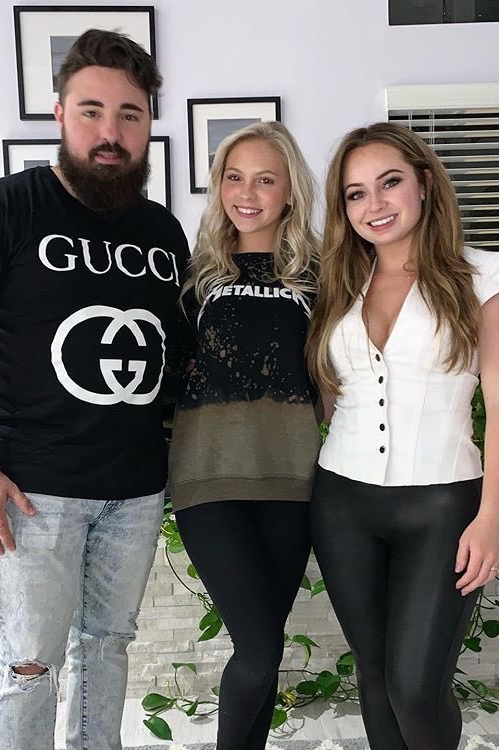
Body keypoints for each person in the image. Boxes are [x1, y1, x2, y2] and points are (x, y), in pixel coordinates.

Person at [0, 29, 189, 750]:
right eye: (92, 111)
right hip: (32, 492)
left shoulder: (163, 231)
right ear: (60, 113)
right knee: (31, 663)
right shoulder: (0, 208)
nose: (111, 132)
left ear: (149, 123)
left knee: (107, 648)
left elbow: (175, 354)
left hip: (136, 489)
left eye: (129, 114)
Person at [306, 122, 499, 750]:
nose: (373, 204)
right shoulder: (337, 283)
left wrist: (491, 518)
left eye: (389, 183)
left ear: (425, 183)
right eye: (355, 193)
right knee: (375, 679)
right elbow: (327, 396)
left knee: (416, 688)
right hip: (342, 503)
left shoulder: (485, 274)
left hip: (442, 506)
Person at [168, 121, 321, 750]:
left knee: (266, 649)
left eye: (264, 179)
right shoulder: (194, 275)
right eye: (234, 177)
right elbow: (168, 374)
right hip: (208, 481)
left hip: (294, 480)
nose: (247, 193)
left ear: (290, 191)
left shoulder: (320, 275)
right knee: (258, 649)